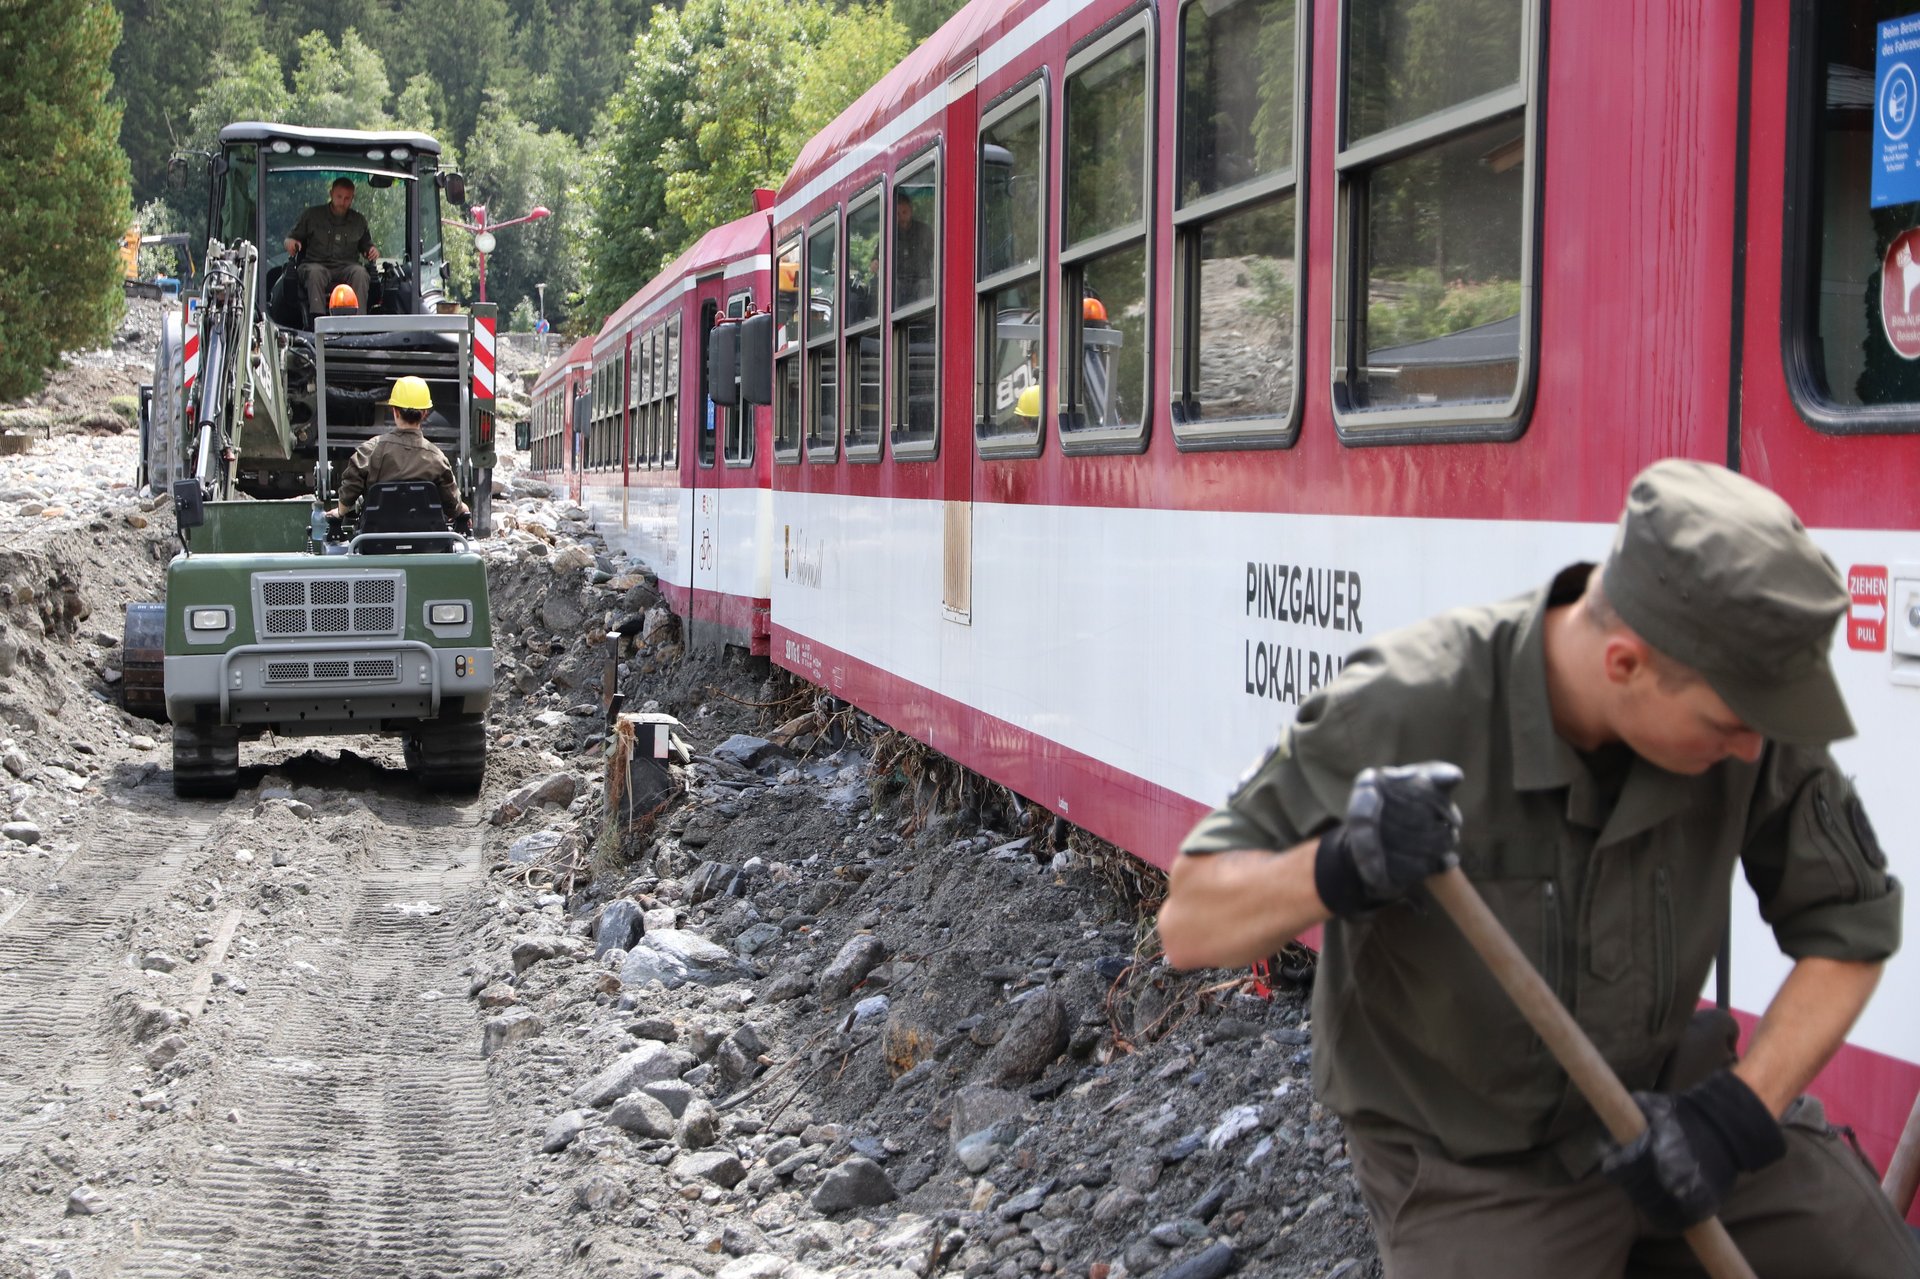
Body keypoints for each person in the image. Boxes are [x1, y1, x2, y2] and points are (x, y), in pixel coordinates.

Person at [1158, 460, 1918, 1278]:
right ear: (1625, 664)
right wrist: (1342, 863)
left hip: (1669, 1103)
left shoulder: (1742, 714)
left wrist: (1734, 1116)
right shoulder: (1413, 699)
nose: (1754, 750)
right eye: (1729, 727)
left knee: (1866, 1258)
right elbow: (1190, 923)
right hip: (1477, 1164)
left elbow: (1850, 926)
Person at [330, 376, 470, 534]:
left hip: (375, 543)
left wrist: (340, 512)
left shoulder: (368, 451)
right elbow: (453, 506)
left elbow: (349, 492)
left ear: (394, 411)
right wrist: (463, 509)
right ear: (425, 414)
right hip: (426, 544)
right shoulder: (437, 458)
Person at [285, 176, 379, 322]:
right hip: (316, 263)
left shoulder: (359, 221)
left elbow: (367, 246)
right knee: (315, 273)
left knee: (361, 273)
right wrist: (291, 243)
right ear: (331, 194)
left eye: (347, 198)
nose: (343, 202)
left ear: (352, 198)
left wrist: (372, 250)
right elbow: (291, 238)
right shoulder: (313, 215)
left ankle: (359, 323)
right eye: (339, 197)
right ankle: (317, 321)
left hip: (346, 266)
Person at [892, 189, 934, 305]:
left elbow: (935, 254)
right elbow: (876, 259)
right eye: (898, 214)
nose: (901, 217)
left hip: (921, 279)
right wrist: (875, 262)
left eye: (904, 212)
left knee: (925, 285)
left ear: (911, 210)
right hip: (899, 282)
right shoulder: (889, 234)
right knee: (892, 286)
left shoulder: (924, 230)